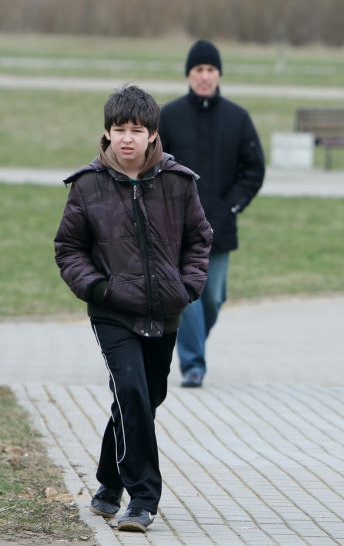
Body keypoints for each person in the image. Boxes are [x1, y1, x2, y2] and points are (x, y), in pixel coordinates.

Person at [54, 85, 212, 532]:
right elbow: (69, 248)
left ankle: (107, 481)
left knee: (144, 399)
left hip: (165, 311)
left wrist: (187, 286)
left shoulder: (179, 183)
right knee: (131, 394)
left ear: (152, 134)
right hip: (112, 311)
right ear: (106, 133)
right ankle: (143, 498)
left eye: (136, 130)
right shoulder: (87, 186)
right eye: (118, 129)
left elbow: (200, 239)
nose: (127, 138)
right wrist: (97, 289)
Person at [159, 40, 265, 388]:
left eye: (210, 70)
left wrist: (231, 204)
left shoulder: (237, 119)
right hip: (177, 226)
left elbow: (253, 169)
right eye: (198, 70)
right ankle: (193, 364)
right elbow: (155, 165)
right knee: (187, 294)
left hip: (220, 224)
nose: (204, 76)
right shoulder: (169, 117)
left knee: (214, 298)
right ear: (188, 75)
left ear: (219, 74)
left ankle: (192, 345)